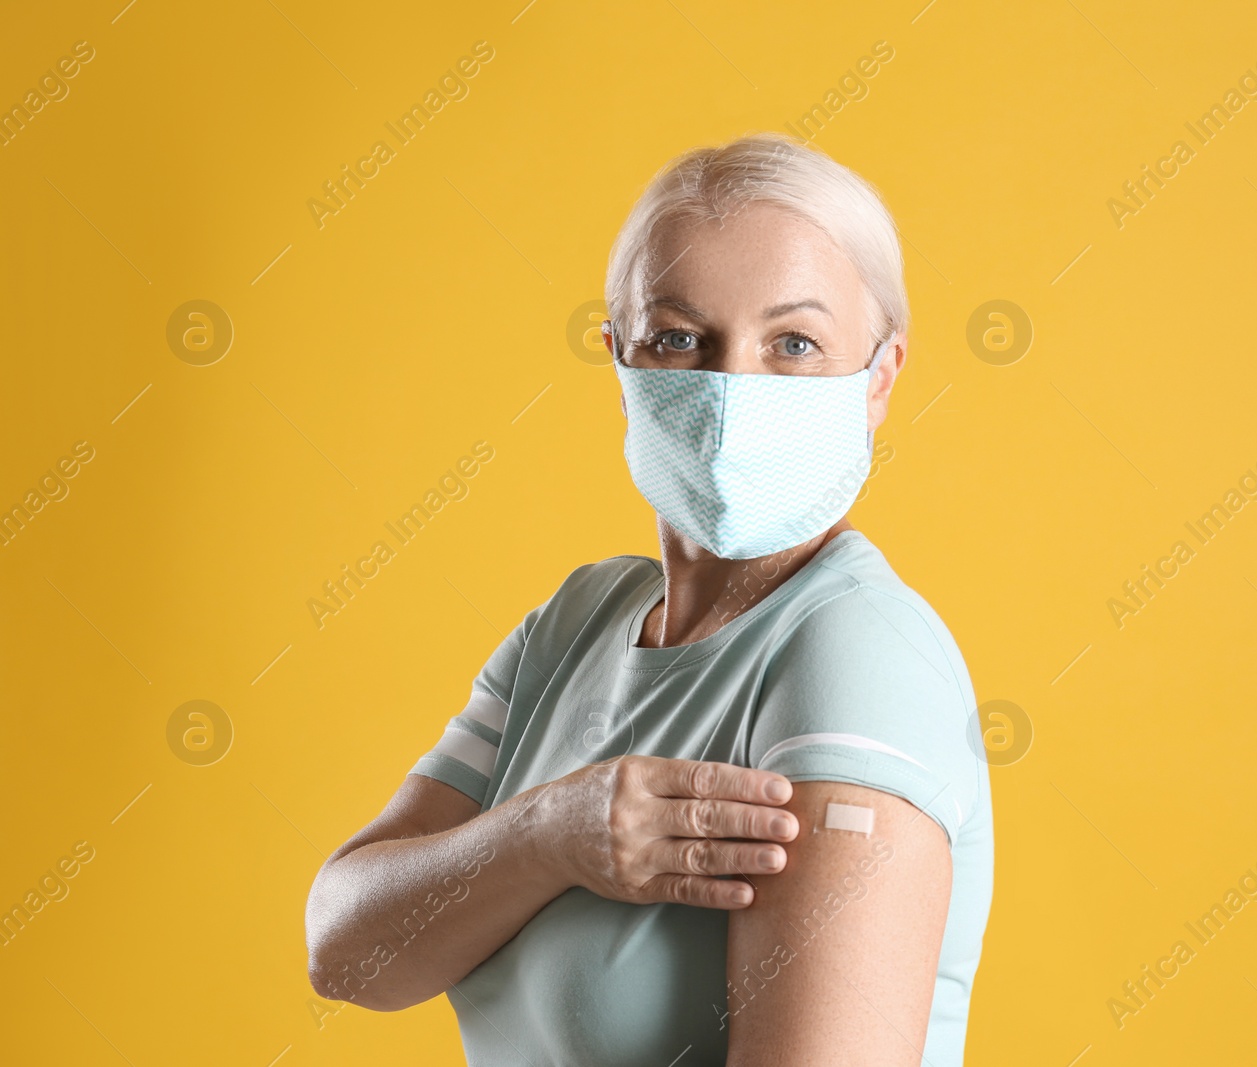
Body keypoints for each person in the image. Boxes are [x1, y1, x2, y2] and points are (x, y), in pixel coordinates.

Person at [304, 131, 994, 1066]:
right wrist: (548, 836)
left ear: (879, 378)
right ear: (620, 366)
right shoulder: (578, 623)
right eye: (678, 338)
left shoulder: (853, 654)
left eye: (794, 342)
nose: (730, 390)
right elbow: (349, 950)